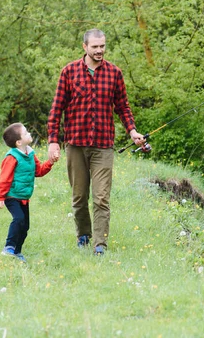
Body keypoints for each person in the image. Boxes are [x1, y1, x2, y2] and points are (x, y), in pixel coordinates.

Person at [47, 28, 147, 256]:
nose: (100, 50)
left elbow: (123, 106)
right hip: (75, 144)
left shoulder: (114, 73)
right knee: (79, 196)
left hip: (103, 145)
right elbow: (56, 109)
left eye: (102, 46)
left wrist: (132, 131)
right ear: (85, 47)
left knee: (101, 197)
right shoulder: (69, 72)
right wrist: (54, 141)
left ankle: (99, 245)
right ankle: (83, 233)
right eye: (95, 47)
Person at [0, 123, 56, 262]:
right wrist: (0, 197)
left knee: (25, 226)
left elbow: (39, 171)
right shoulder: (12, 157)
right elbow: (4, 178)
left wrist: (50, 162)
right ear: (18, 142)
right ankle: (9, 247)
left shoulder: (30, 154)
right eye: (26, 132)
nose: (29, 133)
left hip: (24, 196)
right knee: (18, 219)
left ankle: (17, 252)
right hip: (11, 196)